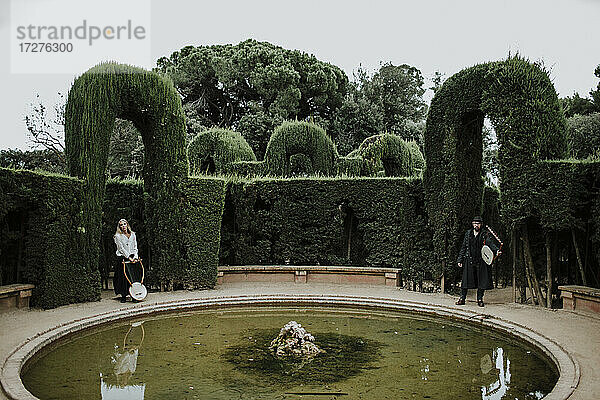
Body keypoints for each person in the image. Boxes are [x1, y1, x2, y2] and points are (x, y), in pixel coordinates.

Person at [456, 216, 501, 307]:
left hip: (481, 261)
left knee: (481, 281)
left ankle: (480, 299)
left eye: (478, 223)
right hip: (469, 260)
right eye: (475, 223)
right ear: (472, 224)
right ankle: (462, 298)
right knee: (465, 281)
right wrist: (460, 259)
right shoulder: (468, 234)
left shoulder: (485, 234)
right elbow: (464, 247)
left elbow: (490, 243)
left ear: (481, 225)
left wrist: (496, 250)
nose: (476, 225)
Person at [113, 219, 140, 303]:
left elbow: (135, 246)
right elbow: (121, 248)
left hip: (133, 257)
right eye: (121, 225)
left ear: (127, 225)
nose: (123, 226)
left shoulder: (133, 234)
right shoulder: (117, 236)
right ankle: (123, 295)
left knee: (133, 277)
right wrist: (128, 257)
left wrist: (135, 257)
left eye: (124, 224)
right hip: (123, 257)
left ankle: (134, 295)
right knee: (124, 277)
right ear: (119, 227)